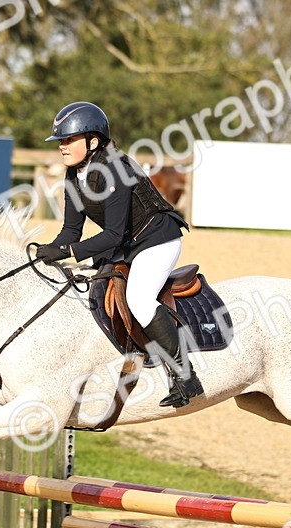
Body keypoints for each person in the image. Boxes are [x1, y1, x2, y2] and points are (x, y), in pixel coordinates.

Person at [34, 101, 204, 409]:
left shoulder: (115, 169)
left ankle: (186, 376)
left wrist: (68, 252)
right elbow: (71, 232)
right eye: (61, 141)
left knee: (138, 299)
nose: (62, 146)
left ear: (93, 141)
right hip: (126, 244)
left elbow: (112, 234)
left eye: (69, 139)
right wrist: (50, 252)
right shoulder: (73, 176)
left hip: (157, 241)